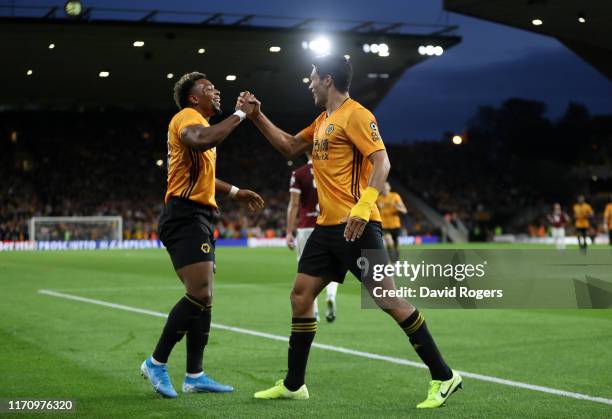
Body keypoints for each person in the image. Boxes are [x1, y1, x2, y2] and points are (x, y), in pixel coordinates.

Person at [238, 55, 461, 408]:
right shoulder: (323, 120)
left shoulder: (357, 114)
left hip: (358, 226)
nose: (308, 83)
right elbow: (288, 147)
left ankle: (445, 376)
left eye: (311, 77)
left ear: (327, 80)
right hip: (327, 229)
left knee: (388, 300)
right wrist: (256, 117)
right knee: (300, 297)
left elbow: (382, 161)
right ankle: (295, 384)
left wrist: (363, 203)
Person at [140, 72, 264, 398]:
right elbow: (200, 139)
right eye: (209, 88)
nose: (216, 91)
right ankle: (156, 362)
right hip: (185, 215)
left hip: (200, 216)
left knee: (205, 298)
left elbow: (206, 175)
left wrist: (236, 192)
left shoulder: (201, 125)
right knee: (200, 293)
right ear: (194, 98)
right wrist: (241, 115)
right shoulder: (187, 117)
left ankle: (194, 374)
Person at [287, 152, 338, 322]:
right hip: (329, 223)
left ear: (307, 152)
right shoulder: (332, 168)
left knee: (306, 271)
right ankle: (330, 295)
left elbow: (294, 204)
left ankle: (313, 311)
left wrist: (288, 232)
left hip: (306, 227)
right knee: (333, 268)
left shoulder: (299, 173)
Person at [376, 182, 407, 261]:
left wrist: (396, 207)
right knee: (389, 241)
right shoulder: (378, 199)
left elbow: (404, 210)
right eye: (383, 188)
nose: (385, 189)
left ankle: (396, 261)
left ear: (389, 188)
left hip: (395, 225)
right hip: (384, 226)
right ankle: (393, 261)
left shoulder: (395, 196)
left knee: (396, 245)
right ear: (381, 189)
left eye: (386, 187)